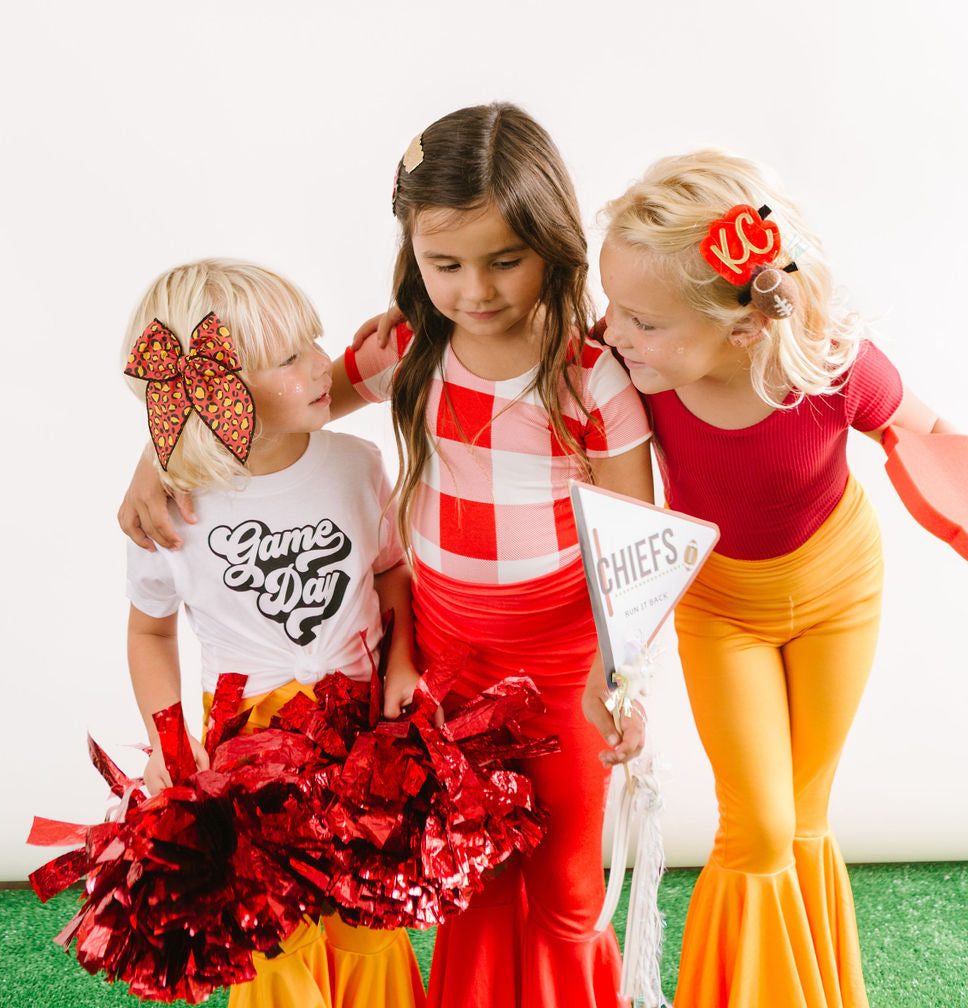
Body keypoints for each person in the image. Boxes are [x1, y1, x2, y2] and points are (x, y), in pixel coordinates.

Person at [120, 104, 657, 1008]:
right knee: (469, 877)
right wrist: (155, 454)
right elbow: (262, 413)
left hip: (565, 664)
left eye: (504, 261)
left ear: (552, 244)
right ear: (412, 252)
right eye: (444, 265)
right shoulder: (409, 349)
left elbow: (638, 545)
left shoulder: (590, 374)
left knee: (567, 887)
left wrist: (622, 677)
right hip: (450, 661)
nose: (474, 290)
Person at [598, 151, 955, 1008]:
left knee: (802, 817)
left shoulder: (830, 367)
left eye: (641, 320)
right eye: (612, 306)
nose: (612, 332)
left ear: (745, 326)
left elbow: (929, 430)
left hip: (840, 591)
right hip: (722, 608)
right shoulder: (634, 380)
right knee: (756, 829)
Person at [122, 258, 427, 1008]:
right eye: (292, 357)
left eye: (313, 342)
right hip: (248, 751)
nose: (327, 364)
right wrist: (171, 746)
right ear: (221, 396)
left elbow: (391, 573)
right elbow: (150, 633)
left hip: (361, 734)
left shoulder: (357, 464)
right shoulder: (172, 511)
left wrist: (402, 662)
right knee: (270, 934)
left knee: (369, 919)